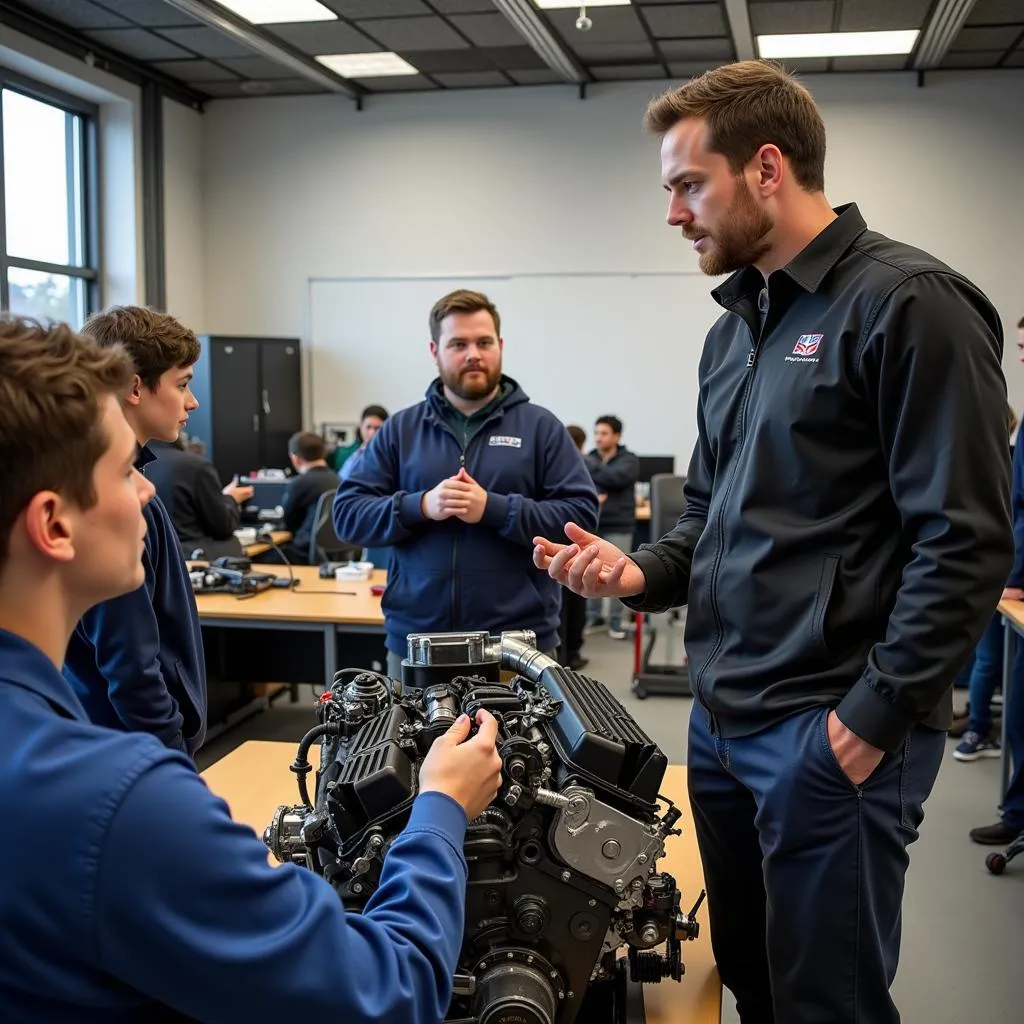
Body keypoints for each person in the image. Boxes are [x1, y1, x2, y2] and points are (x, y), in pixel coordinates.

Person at [533, 61, 1011, 1023]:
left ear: (763, 169)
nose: (673, 214)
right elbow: (710, 511)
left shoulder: (908, 304)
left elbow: (964, 540)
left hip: (826, 727)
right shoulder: (735, 330)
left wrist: (870, 721)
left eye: (686, 184)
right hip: (721, 719)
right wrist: (641, 571)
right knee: (746, 979)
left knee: (823, 999)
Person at [0, 314, 504, 1021]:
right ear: (54, 525)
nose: (148, 491)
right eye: (122, 471)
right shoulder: (115, 805)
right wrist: (442, 810)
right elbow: (389, 993)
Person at [334, 288, 599, 678]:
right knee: (415, 742)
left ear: (500, 346)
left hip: (518, 646)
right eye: (458, 343)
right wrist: (420, 506)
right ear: (434, 350)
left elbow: (581, 520)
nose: (473, 353)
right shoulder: (401, 430)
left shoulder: (542, 428)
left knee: (521, 742)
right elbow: (347, 515)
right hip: (416, 642)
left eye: (483, 342)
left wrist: (493, 509)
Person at [63, 305, 209, 759]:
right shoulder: (111, 503)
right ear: (134, 387)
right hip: (131, 753)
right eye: (182, 384)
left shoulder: (133, 483)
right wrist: (173, 763)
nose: (193, 402)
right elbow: (130, 670)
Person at [970, 315, 1024, 845]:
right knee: (991, 662)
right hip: (1009, 582)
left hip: (1009, 577)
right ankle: (977, 731)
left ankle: (976, 730)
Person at [145, 436, 254, 561]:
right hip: (188, 554)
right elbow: (222, 526)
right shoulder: (195, 466)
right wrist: (231, 499)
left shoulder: (131, 461)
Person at [584, 415, 640, 639]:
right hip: (593, 524)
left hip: (619, 524)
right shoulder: (589, 458)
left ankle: (616, 622)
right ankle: (594, 616)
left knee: (618, 574)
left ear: (617, 436)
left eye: (604, 433)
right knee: (589, 571)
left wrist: (590, 467)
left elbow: (614, 478)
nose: (598, 438)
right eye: (596, 433)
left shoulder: (629, 460)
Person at [276, 431, 344, 564]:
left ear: (295, 459)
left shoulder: (299, 484)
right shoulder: (338, 480)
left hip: (304, 552)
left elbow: (287, 521)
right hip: (336, 551)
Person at [559, 425, 589, 670]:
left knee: (572, 602)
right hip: (567, 545)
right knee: (572, 602)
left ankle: (570, 653)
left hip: (568, 545)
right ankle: (571, 652)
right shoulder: (580, 465)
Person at [339, 404, 390, 481]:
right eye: (368, 427)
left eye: (377, 428)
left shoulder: (390, 456)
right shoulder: (351, 454)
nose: (372, 433)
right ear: (361, 427)